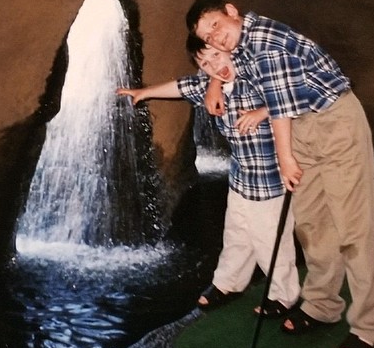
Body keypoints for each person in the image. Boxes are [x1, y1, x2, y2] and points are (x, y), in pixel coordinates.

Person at [186, 0, 374, 348]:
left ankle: (372, 328)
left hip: (334, 124)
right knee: (312, 225)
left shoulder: (266, 40)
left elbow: (280, 109)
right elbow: (226, 69)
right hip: (301, 129)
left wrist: (285, 160)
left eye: (216, 26)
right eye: (208, 37)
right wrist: (215, 86)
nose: (216, 39)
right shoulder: (242, 44)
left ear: (232, 12)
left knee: (353, 229)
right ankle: (321, 305)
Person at [117, 35, 300, 317]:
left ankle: (284, 296)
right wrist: (145, 92)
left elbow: (293, 93)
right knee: (237, 234)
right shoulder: (208, 84)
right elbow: (180, 86)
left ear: (230, 51)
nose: (214, 65)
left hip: (271, 178)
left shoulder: (255, 75)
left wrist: (262, 112)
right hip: (241, 176)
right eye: (205, 62)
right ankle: (228, 284)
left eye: (216, 55)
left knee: (271, 240)